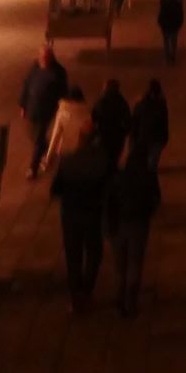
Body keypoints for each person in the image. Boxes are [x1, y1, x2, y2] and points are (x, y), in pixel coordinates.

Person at [50, 124, 109, 312]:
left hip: (71, 215)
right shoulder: (102, 162)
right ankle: (87, 288)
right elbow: (108, 190)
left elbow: (55, 189)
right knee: (94, 252)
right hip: (93, 214)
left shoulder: (67, 161)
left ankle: (76, 295)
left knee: (73, 255)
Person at [107, 152, 161, 316]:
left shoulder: (118, 178)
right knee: (135, 264)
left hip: (118, 225)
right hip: (138, 225)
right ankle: (130, 302)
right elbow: (155, 201)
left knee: (120, 266)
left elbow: (109, 202)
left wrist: (108, 226)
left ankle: (119, 298)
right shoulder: (148, 179)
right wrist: (147, 213)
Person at [20, 43, 70, 178]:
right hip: (32, 108)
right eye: (42, 57)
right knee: (32, 135)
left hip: (46, 110)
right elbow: (27, 84)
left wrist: (61, 107)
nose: (44, 60)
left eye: (46, 57)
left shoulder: (58, 72)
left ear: (51, 57)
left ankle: (33, 168)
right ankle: (48, 151)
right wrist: (23, 105)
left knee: (39, 138)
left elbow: (63, 91)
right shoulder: (35, 67)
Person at [43, 85, 89, 170]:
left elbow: (55, 136)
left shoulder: (62, 112)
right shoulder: (86, 113)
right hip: (78, 149)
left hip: (65, 148)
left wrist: (48, 157)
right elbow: (88, 133)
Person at [92, 78, 132, 169]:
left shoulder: (101, 102)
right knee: (113, 160)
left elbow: (94, 118)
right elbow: (128, 120)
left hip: (103, 135)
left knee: (103, 160)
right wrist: (124, 132)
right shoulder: (122, 102)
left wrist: (95, 132)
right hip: (117, 137)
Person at [129, 80, 169, 171]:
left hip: (144, 138)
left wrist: (133, 138)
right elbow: (164, 123)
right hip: (155, 139)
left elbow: (135, 123)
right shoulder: (161, 105)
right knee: (151, 164)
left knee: (143, 162)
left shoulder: (141, 104)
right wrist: (164, 138)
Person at [157, 0, 184, 64]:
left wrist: (161, 24)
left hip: (165, 27)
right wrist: (179, 25)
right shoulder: (178, 4)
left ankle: (167, 57)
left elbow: (161, 16)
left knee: (166, 42)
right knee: (173, 42)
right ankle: (173, 56)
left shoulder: (165, 4)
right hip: (174, 27)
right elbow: (180, 16)